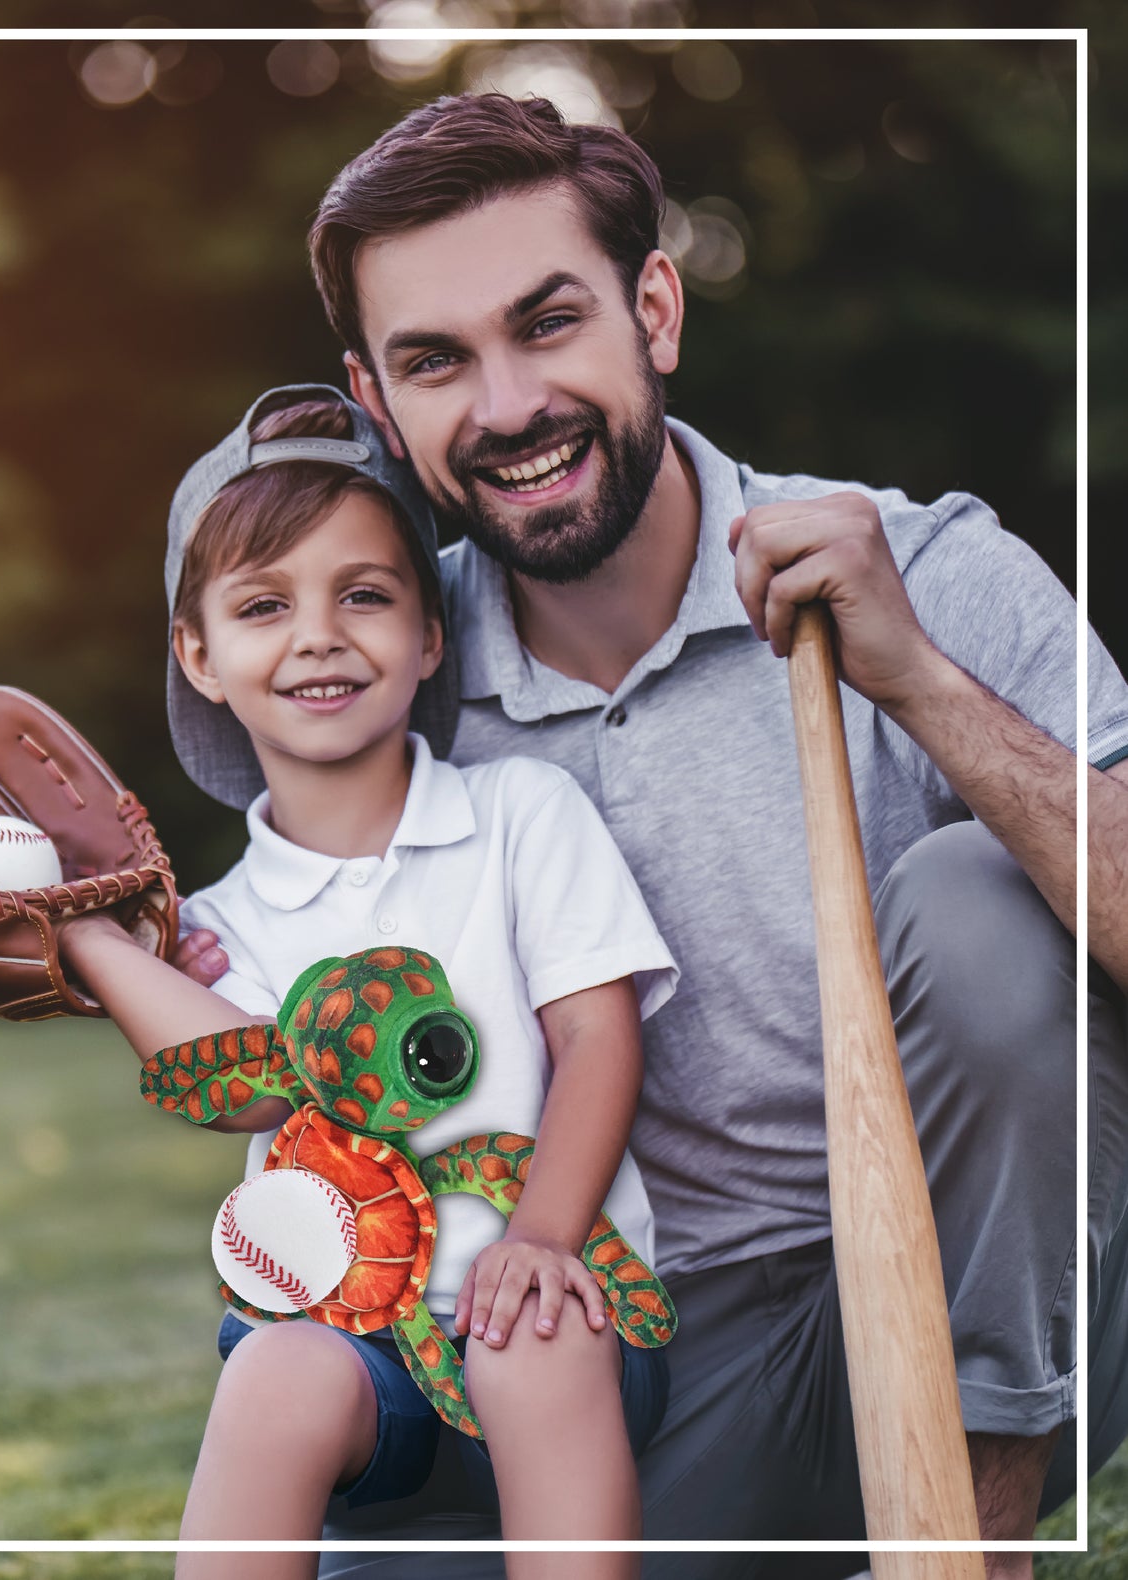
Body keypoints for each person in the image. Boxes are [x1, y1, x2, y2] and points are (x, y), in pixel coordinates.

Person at [177, 94, 1128, 1578]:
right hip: (637, 1347)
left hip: (985, 1295)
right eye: (435, 361)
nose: (503, 407)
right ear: (376, 398)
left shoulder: (925, 566)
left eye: (547, 323)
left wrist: (921, 684)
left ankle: (960, 1552)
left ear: (656, 307)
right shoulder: (380, 665)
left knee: (976, 902)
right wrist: (66, 938)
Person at [60, 385, 681, 1580]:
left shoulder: (518, 816)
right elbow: (245, 1088)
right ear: (197, 653)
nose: (317, 635)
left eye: (363, 594)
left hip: (562, 1320)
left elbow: (599, 1041)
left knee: (528, 1335)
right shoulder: (217, 924)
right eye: (259, 605)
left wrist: (541, 1236)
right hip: (363, 1363)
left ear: (429, 632)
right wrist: (92, 941)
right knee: (273, 1368)